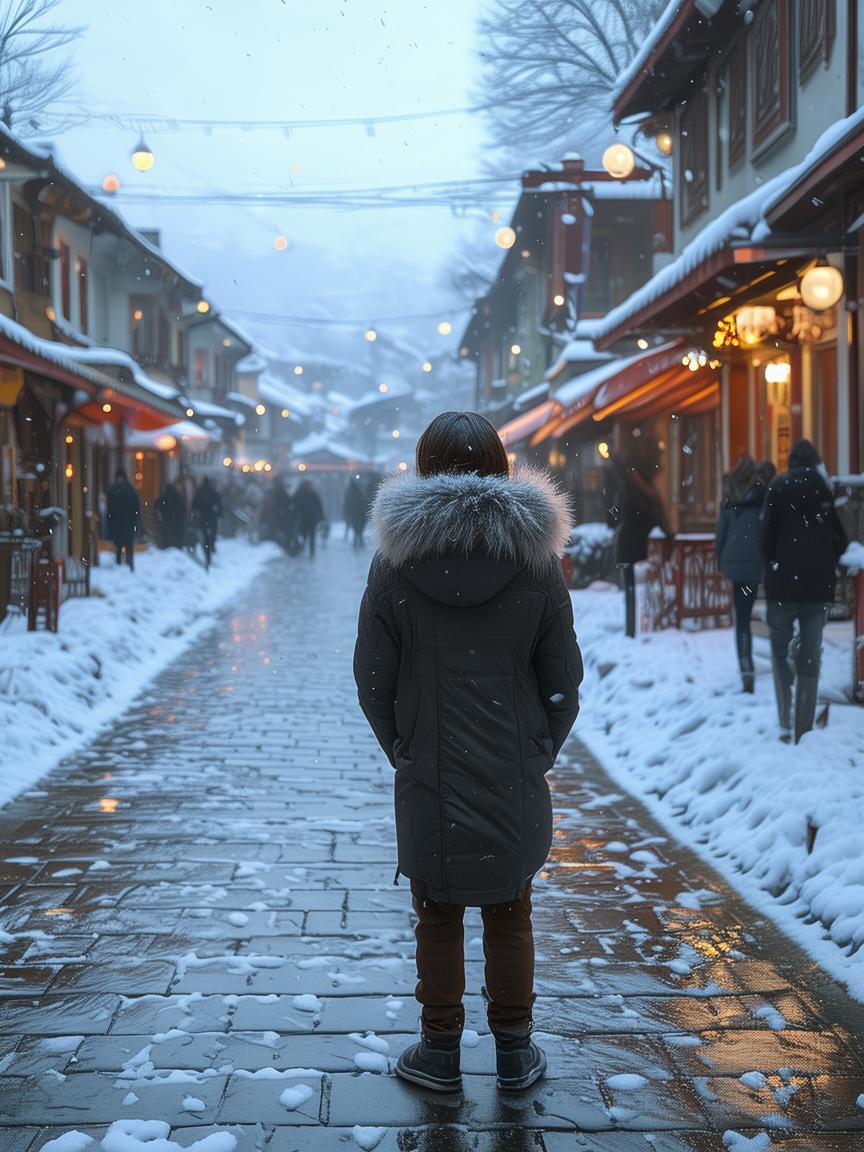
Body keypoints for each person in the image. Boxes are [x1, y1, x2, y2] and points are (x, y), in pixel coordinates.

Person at [354, 411, 583, 1095]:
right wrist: (537, 750)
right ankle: (514, 1053)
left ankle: (440, 1051)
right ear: (501, 466)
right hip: (512, 771)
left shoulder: (395, 560)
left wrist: (405, 746)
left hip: (429, 770)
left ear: (424, 466)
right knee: (511, 908)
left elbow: (373, 678)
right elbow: (562, 683)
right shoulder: (536, 561)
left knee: (439, 911)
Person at [762, 439, 847, 743]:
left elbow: (766, 536)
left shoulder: (777, 486)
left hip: (781, 585)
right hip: (817, 586)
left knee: (779, 650)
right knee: (810, 657)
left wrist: (774, 566)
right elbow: (840, 539)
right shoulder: (822, 489)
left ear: (790, 461)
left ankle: (785, 718)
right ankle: (803, 726)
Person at [715, 457, 776, 692]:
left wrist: (721, 560)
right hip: (759, 564)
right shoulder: (766, 497)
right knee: (776, 615)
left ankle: (746, 668)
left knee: (741, 620)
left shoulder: (731, 497)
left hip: (736, 567)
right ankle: (784, 665)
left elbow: (721, 534)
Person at [606, 440, 671, 638]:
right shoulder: (649, 494)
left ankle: (631, 629)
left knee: (631, 591)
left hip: (629, 544)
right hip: (643, 545)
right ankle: (637, 627)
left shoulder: (628, 490)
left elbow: (614, 517)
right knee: (639, 589)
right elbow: (657, 519)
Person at [106, 469, 140, 571]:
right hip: (129, 523)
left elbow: (109, 510)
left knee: (118, 546)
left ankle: (118, 565)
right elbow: (136, 508)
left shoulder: (113, 490)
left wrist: (110, 524)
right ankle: (130, 566)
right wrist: (135, 521)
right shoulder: (131, 490)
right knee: (129, 546)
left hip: (117, 523)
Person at [192, 476, 222, 570]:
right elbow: (219, 505)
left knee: (205, 538)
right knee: (212, 535)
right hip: (212, 519)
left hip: (203, 519)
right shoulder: (214, 492)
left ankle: (207, 553)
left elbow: (194, 505)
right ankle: (211, 547)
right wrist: (219, 514)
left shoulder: (200, 492)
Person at [294, 479, 325, 558]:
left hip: (303, 520)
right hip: (310, 520)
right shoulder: (312, 494)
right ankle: (311, 552)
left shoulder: (299, 494)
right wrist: (321, 517)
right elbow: (319, 507)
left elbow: (294, 506)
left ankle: (303, 550)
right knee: (311, 537)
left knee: (304, 536)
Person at [154, 479, 186, 550]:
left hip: (167, 520)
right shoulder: (178, 496)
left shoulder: (164, 496)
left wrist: (159, 519)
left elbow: (157, 506)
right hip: (178, 521)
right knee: (177, 535)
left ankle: (168, 548)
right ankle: (177, 548)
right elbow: (183, 508)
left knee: (167, 536)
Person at [343, 476, 368, 549]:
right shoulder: (358, 491)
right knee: (358, 529)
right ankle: (359, 542)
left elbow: (347, 503)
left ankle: (358, 542)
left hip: (356, 513)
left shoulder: (351, 491)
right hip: (358, 513)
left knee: (357, 529)